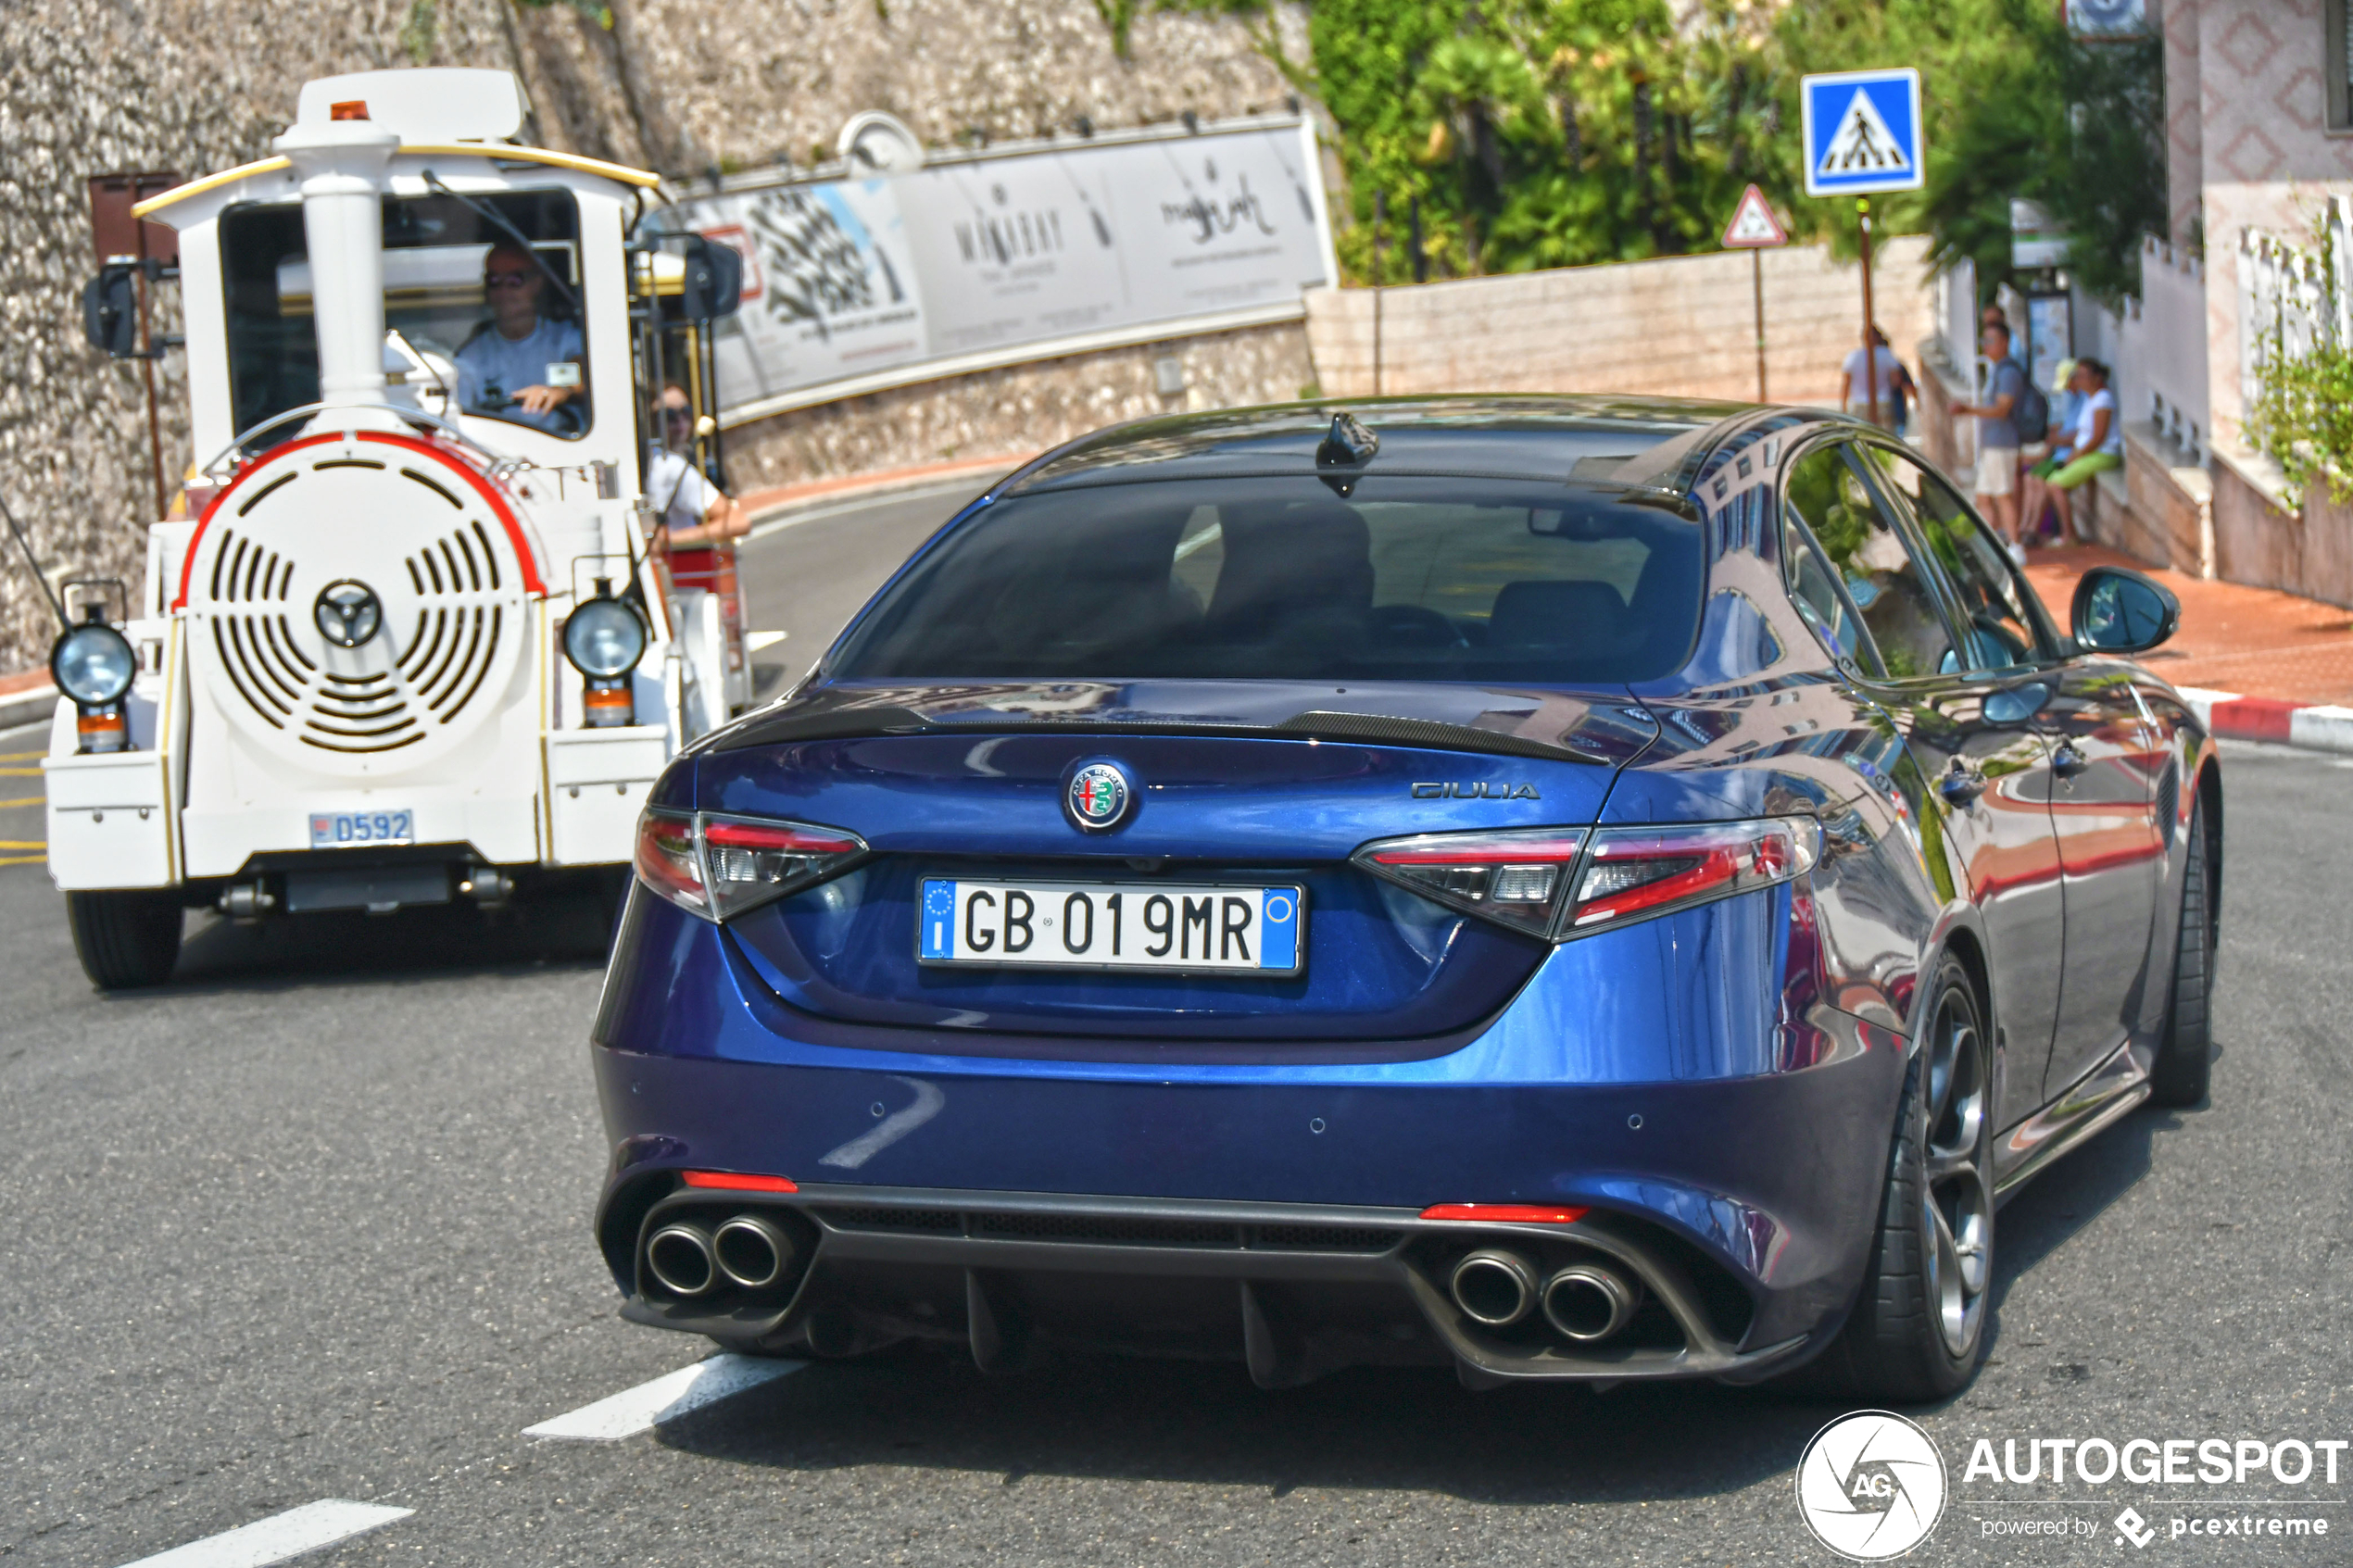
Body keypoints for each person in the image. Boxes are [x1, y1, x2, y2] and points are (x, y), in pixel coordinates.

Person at [453, 242, 585, 435]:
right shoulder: (472, 355)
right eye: (494, 281)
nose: (504, 291)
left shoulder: (565, 338)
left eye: (515, 280)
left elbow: (587, 375)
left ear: (536, 283)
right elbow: (460, 416)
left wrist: (561, 392)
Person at [2024, 358, 2122, 546]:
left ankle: (2069, 534)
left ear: (2097, 377)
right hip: (2088, 453)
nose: (2079, 380)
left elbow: (2097, 437)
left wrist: (2077, 455)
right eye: (2078, 376)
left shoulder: (2103, 399)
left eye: (2083, 376)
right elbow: (2083, 433)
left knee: (2055, 484)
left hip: (2103, 454)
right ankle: (2059, 532)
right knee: (2051, 481)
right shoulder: (2091, 399)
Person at [1952, 320, 2028, 560]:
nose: (1986, 346)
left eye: (1991, 340)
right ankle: (1991, 546)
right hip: (1992, 444)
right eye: (1984, 341)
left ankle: (2016, 546)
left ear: (2004, 342)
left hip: (2002, 444)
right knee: (1984, 495)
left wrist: (1969, 410)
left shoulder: (2008, 372)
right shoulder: (1997, 370)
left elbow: (2002, 408)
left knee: (2003, 494)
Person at [644, 386, 749, 554]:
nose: (680, 423)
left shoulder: (669, 463)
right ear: (652, 422)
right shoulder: (669, 465)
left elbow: (737, 521)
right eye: (669, 416)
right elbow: (738, 520)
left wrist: (671, 539)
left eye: (686, 413)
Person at [1841, 325, 1919, 433]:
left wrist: (1843, 406)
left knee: (1864, 437)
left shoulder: (1853, 357)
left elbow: (1846, 384)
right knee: (1884, 438)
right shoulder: (1886, 355)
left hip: (1860, 403)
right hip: (1883, 402)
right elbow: (1896, 381)